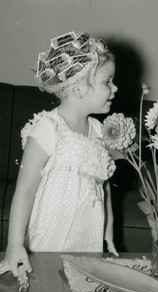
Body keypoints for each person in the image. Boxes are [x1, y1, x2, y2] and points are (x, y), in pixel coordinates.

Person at [0, 32, 119, 278]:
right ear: (78, 89)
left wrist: (108, 226)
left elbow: (103, 183)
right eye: (108, 81)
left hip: (87, 236)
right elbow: (25, 190)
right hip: (49, 236)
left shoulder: (99, 132)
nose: (115, 88)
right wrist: (13, 244)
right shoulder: (49, 128)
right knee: (46, 284)